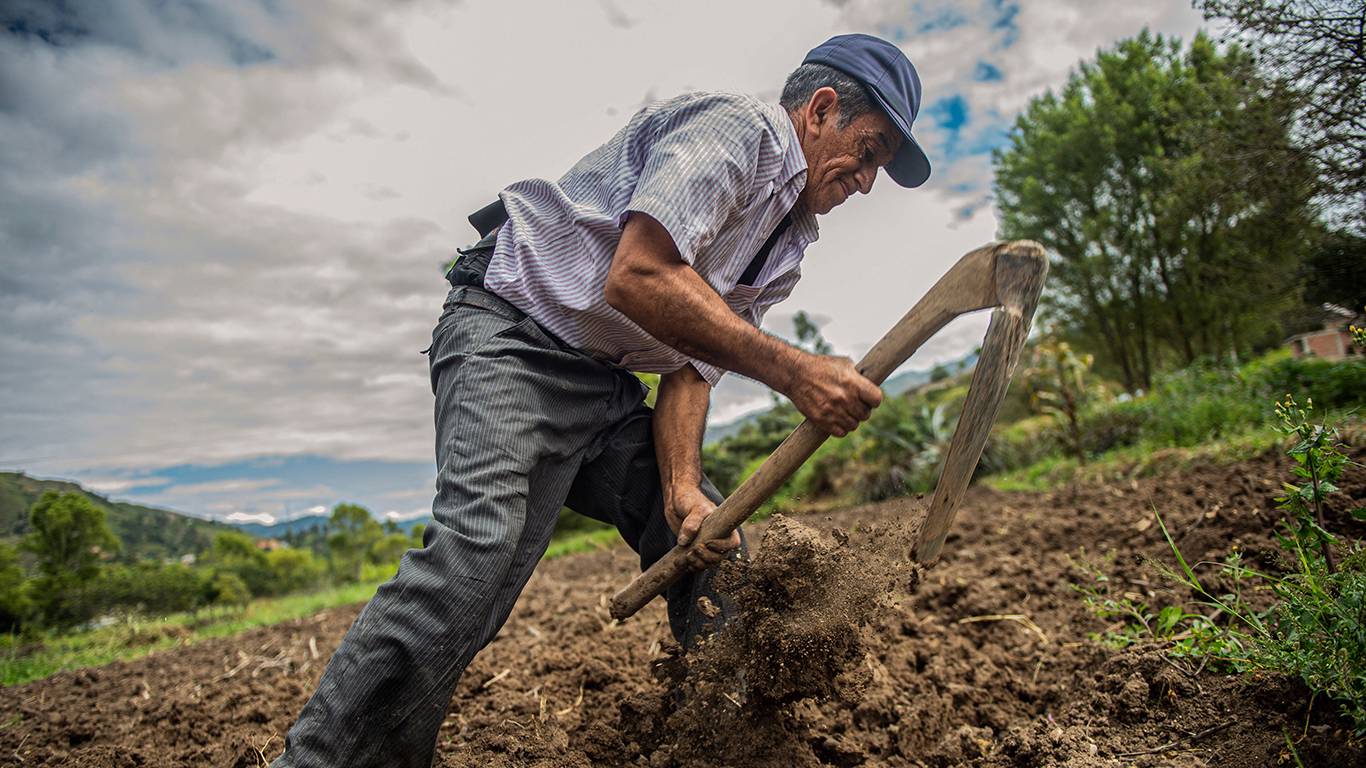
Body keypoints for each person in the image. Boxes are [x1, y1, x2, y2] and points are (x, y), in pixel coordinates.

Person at [273, 32, 931, 768]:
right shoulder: (737, 131)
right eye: (868, 153)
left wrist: (682, 490)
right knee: (478, 558)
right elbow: (639, 277)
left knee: (715, 545)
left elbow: (690, 368)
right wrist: (798, 373)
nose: (866, 182)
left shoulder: (789, 242)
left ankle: (731, 737)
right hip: (513, 339)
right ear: (820, 109)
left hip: (600, 382)